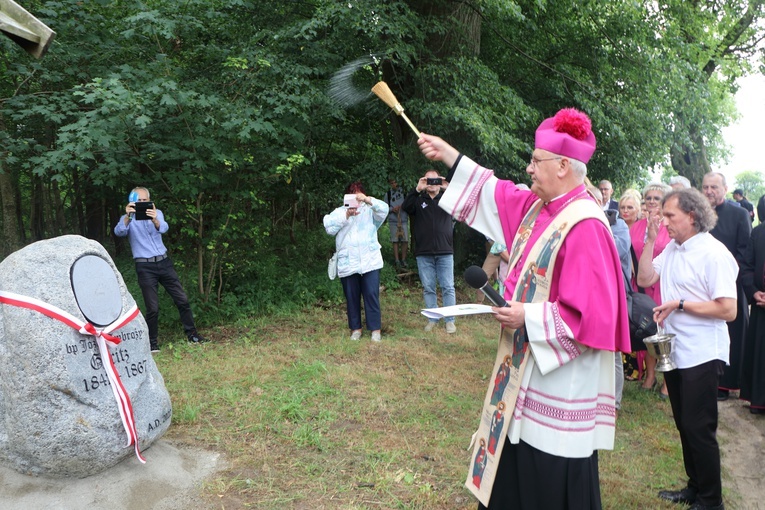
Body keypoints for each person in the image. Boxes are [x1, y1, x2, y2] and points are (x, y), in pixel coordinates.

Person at [418, 108, 630, 509]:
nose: (529, 168)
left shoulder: (586, 225)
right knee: (513, 456)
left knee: (547, 475)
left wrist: (525, 317)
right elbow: (493, 191)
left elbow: (592, 316)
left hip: (560, 383)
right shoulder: (538, 208)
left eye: (536, 161)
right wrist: (447, 153)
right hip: (521, 370)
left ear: (564, 166)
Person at [636, 187, 738, 510]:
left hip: (703, 351)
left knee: (699, 426)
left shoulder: (714, 253)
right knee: (683, 422)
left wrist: (680, 304)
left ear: (692, 217)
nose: (663, 220)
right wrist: (650, 240)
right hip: (675, 351)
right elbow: (644, 278)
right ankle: (695, 487)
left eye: (670, 216)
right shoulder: (674, 250)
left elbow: (728, 309)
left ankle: (712, 500)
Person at [114, 187, 207, 352]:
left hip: (164, 262)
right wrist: (128, 216)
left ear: (150, 201)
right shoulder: (127, 218)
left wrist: (155, 219)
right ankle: (152, 343)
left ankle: (192, 334)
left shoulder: (158, 213)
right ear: (132, 202)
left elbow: (163, 228)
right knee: (152, 307)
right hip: (144, 266)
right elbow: (119, 232)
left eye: (145, 201)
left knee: (182, 299)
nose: (142, 204)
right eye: (138, 201)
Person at [702, 172, 752, 401]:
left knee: (733, 332)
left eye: (714, 187)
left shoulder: (740, 214)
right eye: (705, 187)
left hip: (731, 284)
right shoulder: (698, 214)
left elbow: (744, 251)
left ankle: (727, 383)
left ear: (725, 188)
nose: (709, 191)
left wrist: (726, 278)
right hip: (702, 286)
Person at [323, 181, 388, 342]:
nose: (356, 198)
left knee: (371, 295)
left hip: (370, 261)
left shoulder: (371, 211)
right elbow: (329, 228)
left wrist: (368, 200)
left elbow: (384, 209)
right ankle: (356, 329)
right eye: (353, 194)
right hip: (348, 263)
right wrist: (346, 215)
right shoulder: (339, 212)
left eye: (359, 194)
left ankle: (375, 330)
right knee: (351, 297)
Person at [402, 170, 457, 334]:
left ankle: (450, 320)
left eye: (435, 180)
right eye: (429, 180)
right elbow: (405, 207)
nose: (432, 184)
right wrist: (417, 189)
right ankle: (432, 318)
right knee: (428, 287)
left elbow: (463, 206)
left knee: (448, 287)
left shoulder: (448, 199)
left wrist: (449, 188)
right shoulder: (419, 201)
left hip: (445, 251)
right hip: (424, 252)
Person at [630, 182, 672, 396]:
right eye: (649, 198)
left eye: (657, 198)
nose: (652, 201)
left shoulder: (670, 227)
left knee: (666, 331)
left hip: (664, 286)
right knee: (648, 330)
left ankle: (668, 381)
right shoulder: (636, 227)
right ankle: (650, 375)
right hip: (642, 285)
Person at [741, 197, 765, 414]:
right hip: (761, 305)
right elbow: (747, 266)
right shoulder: (758, 233)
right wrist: (753, 291)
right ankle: (759, 400)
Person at [384, 177, 410, 268]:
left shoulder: (404, 193)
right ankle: (397, 260)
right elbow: (384, 208)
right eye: (392, 183)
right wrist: (392, 209)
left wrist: (402, 207)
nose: (394, 184)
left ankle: (403, 259)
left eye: (395, 182)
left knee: (405, 240)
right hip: (393, 220)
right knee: (395, 240)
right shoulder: (388, 194)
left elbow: (408, 205)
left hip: (403, 219)